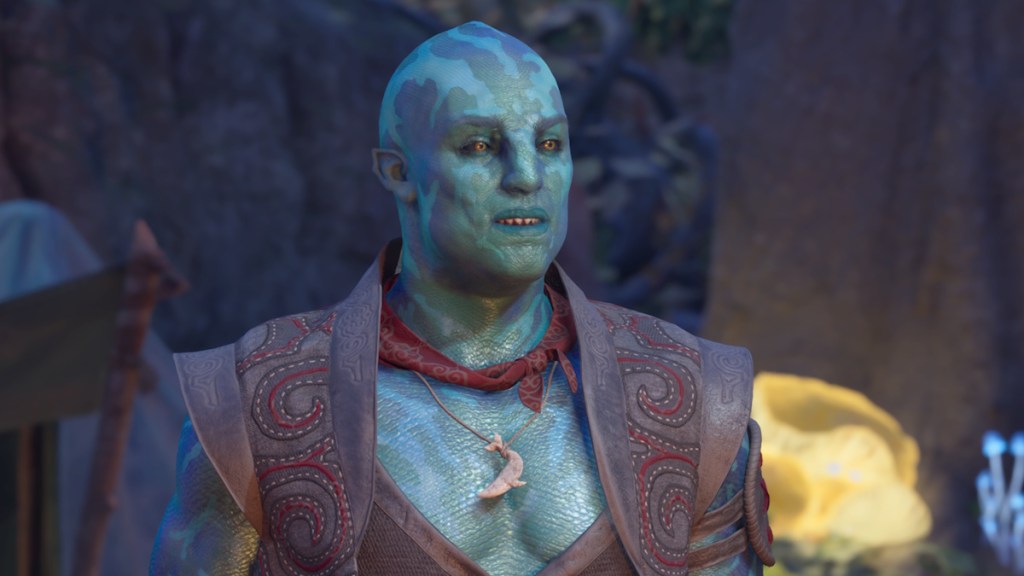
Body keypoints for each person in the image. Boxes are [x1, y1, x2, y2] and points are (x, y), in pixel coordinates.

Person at [150, 22, 773, 576]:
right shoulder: (256, 401)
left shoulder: (689, 393)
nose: (527, 177)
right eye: (479, 146)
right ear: (397, 172)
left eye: (549, 144)